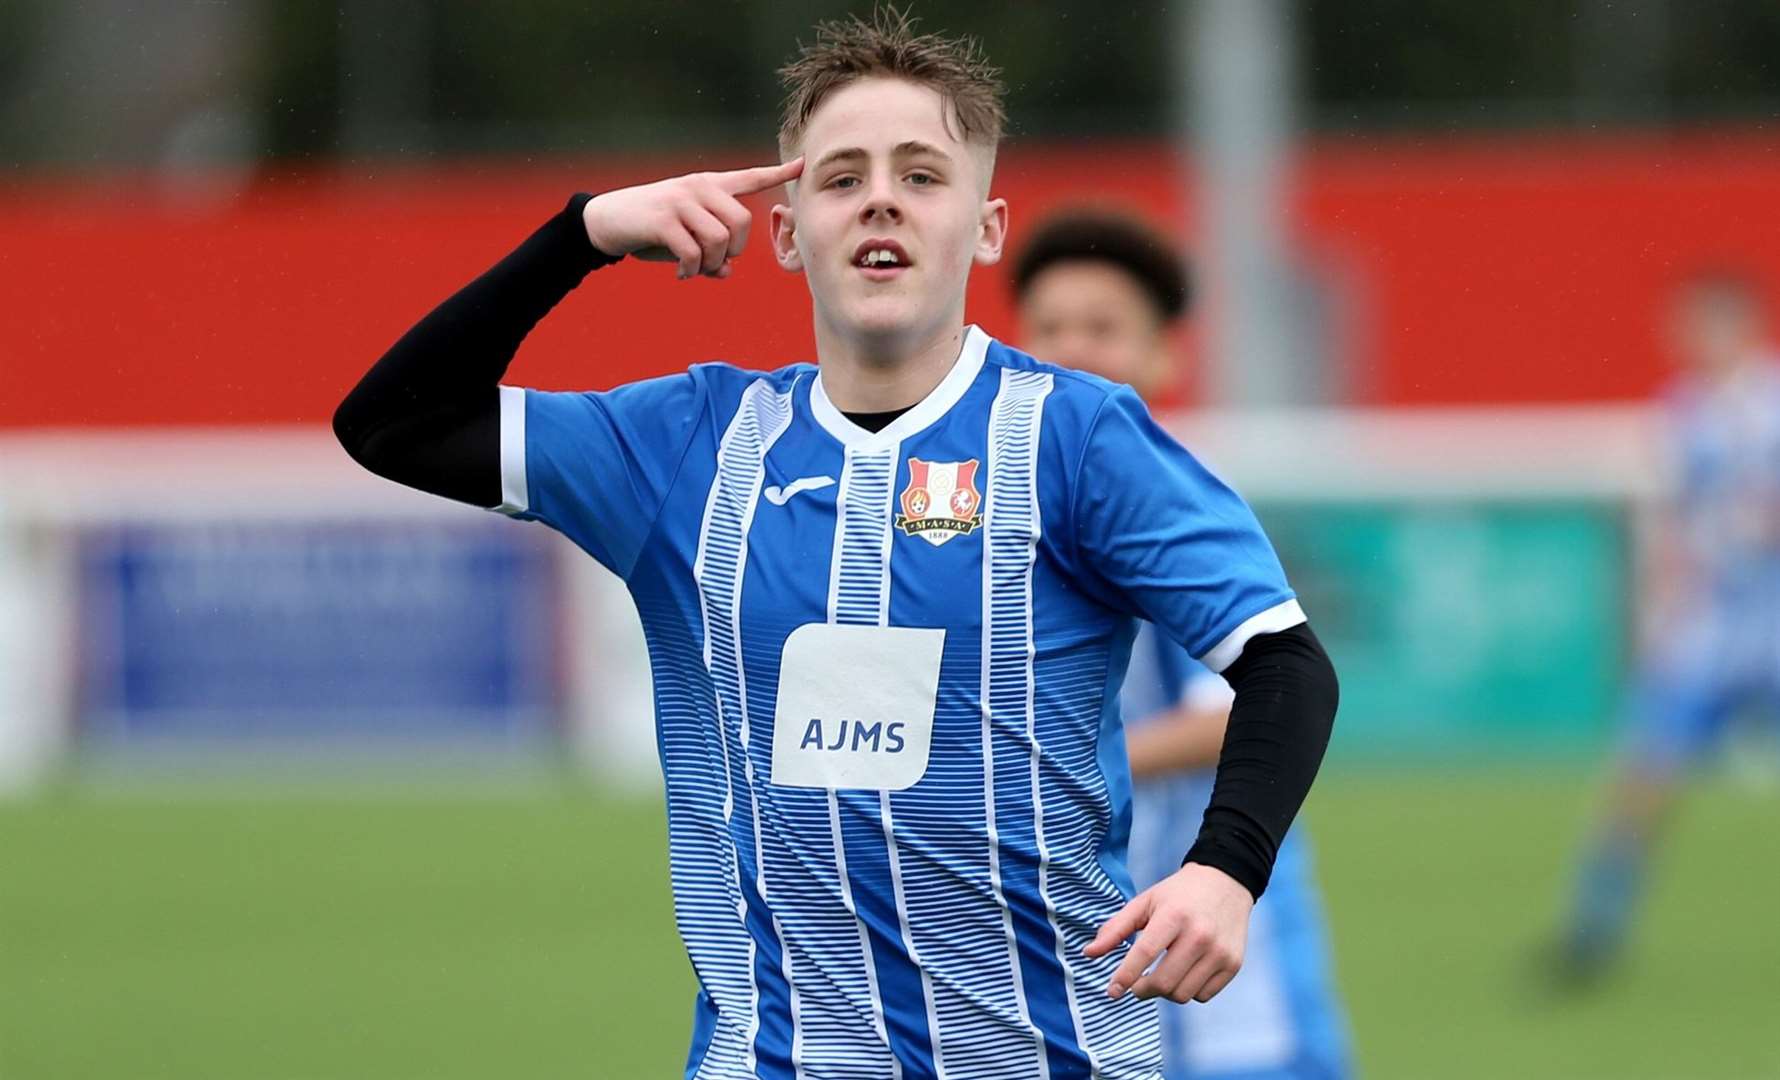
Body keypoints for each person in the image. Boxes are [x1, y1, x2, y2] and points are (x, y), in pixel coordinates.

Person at [334, 10, 1337, 1077]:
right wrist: (580, 235)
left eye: (921, 174)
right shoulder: (687, 445)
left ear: (986, 228)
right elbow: (393, 423)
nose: (881, 201)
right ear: (784, 227)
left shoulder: (1078, 438)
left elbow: (1282, 663)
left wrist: (1225, 868)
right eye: (842, 175)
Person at [1014, 209, 1353, 1080]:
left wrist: (1040, 762)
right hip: (1083, 937)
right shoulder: (995, 522)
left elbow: (1236, 707)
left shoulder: (1174, 520)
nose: (1071, 350)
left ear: (1166, 356)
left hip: (1215, 941)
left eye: (1103, 328)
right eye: (1048, 328)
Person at [1553, 271, 1780, 984]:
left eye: (1703, 324)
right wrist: (1663, 612)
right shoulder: (1684, 412)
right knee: (1643, 775)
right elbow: (1680, 523)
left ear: (1740, 324)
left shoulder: (1772, 404)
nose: (1688, 339)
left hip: (1772, 623)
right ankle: (1592, 932)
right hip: (1709, 630)